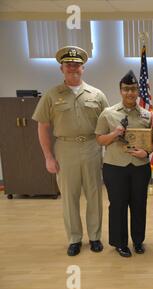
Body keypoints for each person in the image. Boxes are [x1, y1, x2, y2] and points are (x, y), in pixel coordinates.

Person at [32, 46, 109, 256]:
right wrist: (48, 157)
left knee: (94, 195)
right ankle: (74, 238)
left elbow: (107, 126)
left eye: (76, 64)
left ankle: (95, 237)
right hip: (65, 149)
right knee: (69, 197)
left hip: (92, 147)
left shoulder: (97, 95)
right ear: (61, 68)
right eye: (68, 64)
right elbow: (42, 127)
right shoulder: (51, 95)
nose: (73, 68)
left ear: (83, 67)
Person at [95, 70, 153, 257]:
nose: (130, 93)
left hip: (140, 167)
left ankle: (138, 241)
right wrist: (115, 133)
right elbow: (100, 140)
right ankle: (120, 243)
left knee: (139, 204)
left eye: (134, 89)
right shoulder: (108, 113)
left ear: (139, 91)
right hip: (115, 167)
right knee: (118, 205)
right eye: (126, 89)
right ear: (120, 91)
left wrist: (146, 152)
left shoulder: (147, 115)